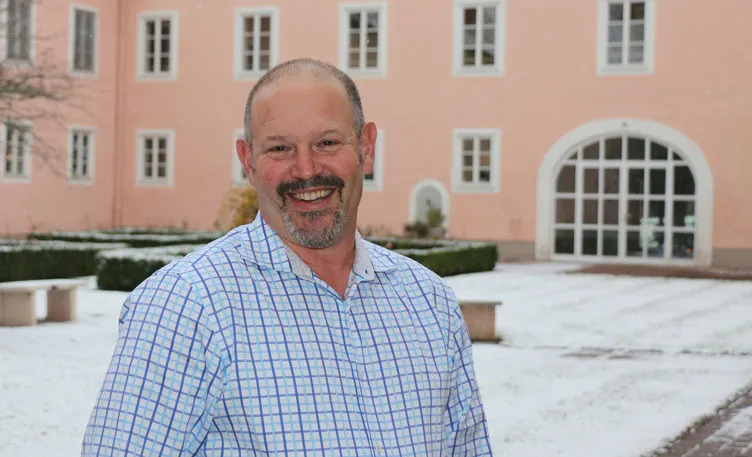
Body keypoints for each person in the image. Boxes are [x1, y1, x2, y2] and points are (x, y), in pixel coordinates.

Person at [82, 58, 493, 456]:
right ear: (248, 160)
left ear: (366, 146)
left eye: (327, 143)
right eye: (279, 148)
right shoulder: (187, 305)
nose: (306, 169)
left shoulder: (428, 302)